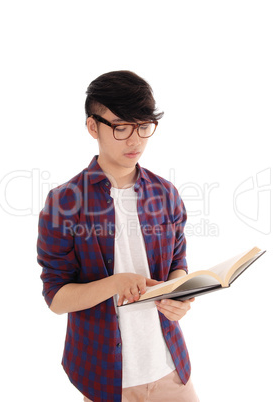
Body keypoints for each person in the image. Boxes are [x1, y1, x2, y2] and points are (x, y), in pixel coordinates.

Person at [37, 70, 199, 402]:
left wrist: (179, 293)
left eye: (143, 127)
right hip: (106, 377)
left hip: (171, 369)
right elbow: (56, 298)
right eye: (121, 127)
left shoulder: (166, 194)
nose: (135, 141)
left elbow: (178, 263)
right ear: (93, 126)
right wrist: (114, 283)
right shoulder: (65, 201)